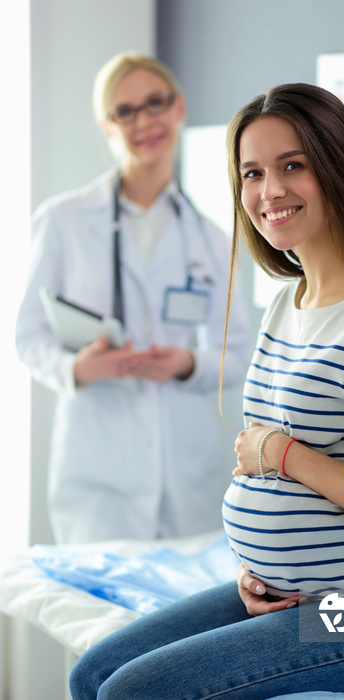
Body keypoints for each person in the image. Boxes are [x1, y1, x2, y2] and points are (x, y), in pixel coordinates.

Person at [69, 83, 344, 698]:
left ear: (340, 169)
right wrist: (258, 569)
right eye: (252, 173)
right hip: (283, 591)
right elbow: (261, 469)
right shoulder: (286, 301)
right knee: (89, 673)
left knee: (130, 692)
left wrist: (281, 454)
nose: (269, 191)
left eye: (292, 166)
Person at [16, 52, 251, 544]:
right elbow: (29, 335)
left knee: (187, 617)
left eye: (154, 103)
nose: (144, 121)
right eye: (125, 111)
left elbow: (240, 354)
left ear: (179, 108)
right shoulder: (64, 220)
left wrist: (187, 362)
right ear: (107, 125)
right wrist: (77, 369)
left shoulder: (210, 238)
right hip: (100, 473)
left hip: (187, 471)